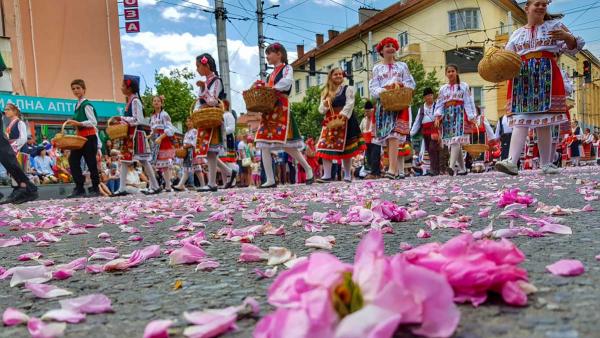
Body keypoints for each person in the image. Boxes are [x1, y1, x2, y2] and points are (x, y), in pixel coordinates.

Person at [495, 0, 584, 175]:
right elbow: (507, 57)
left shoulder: (555, 26)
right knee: (521, 118)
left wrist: (567, 37)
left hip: (546, 75)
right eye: (538, 3)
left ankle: (546, 163)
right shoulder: (517, 34)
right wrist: (498, 57)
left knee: (544, 120)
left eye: (544, 4)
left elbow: (574, 47)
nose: (542, 7)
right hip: (523, 78)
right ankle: (512, 161)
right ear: (527, 8)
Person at [253, 43, 314, 188]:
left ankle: (308, 169)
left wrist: (270, 88)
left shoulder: (287, 68)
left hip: (282, 109)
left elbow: (286, 83)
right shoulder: (270, 74)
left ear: (279, 54)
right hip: (269, 111)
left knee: (287, 146)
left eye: (269, 53)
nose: (267, 56)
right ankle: (270, 179)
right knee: (263, 144)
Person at [369, 37, 416, 180]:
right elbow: (373, 86)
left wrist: (402, 88)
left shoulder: (402, 66)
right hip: (385, 104)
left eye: (392, 45)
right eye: (387, 46)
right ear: (381, 51)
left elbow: (410, 82)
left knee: (394, 134)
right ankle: (394, 170)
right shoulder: (377, 68)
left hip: (400, 102)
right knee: (388, 137)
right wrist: (383, 92)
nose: (390, 48)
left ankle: (392, 169)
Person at [193, 53, 237, 192]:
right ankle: (228, 172)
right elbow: (201, 102)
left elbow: (212, 100)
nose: (197, 69)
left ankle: (212, 183)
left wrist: (203, 89)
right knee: (209, 152)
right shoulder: (207, 82)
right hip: (205, 119)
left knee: (211, 151)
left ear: (206, 65)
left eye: (198, 66)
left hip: (213, 119)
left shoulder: (216, 81)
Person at [113, 75, 161, 196]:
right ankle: (123, 187)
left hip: (136, 134)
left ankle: (154, 185)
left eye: (123, 85)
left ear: (129, 88)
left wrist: (122, 118)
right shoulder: (130, 101)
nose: (121, 88)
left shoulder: (135, 101)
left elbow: (138, 119)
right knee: (125, 160)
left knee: (143, 160)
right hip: (131, 135)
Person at [315, 67, 365, 183]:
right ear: (330, 77)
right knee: (324, 147)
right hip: (330, 122)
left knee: (346, 149)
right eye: (335, 74)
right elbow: (321, 110)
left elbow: (350, 104)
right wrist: (326, 104)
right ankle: (327, 175)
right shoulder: (326, 92)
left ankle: (347, 175)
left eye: (340, 74)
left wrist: (341, 116)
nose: (338, 76)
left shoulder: (348, 89)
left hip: (345, 121)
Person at [433, 64, 476, 176]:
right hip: (448, 116)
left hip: (460, 114)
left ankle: (451, 166)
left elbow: (468, 101)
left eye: (453, 71)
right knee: (454, 141)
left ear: (457, 72)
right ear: (446, 74)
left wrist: (472, 116)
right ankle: (462, 169)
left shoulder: (464, 86)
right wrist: (437, 116)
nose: (451, 73)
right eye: (449, 71)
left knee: (456, 140)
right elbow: (439, 104)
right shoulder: (443, 89)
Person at [64, 79, 101, 198]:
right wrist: (76, 125)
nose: (75, 90)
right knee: (73, 160)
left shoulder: (86, 105)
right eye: (73, 89)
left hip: (89, 137)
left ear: (84, 89)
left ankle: (96, 188)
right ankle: (79, 187)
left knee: (91, 162)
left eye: (78, 88)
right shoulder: (77, 105)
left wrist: (78, 123)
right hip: (80, 138)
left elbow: (93, 122)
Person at [410, 88, 441, 176]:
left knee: (432, 148)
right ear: (424, 98)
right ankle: (436, 169)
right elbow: (417, 121)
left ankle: (433, 169)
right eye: (427, 96)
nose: (429, 97)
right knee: (431, 150)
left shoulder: (437, 106)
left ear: (433, 96)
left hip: (435, 130)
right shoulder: (422, 108)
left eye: (431, 95)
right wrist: (411, 133)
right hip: (425, 132)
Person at [149, 95, 176, 192]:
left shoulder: (164, 114)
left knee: (165, 165)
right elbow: (152, 129)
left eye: (158, 101)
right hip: (155, 141)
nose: (156, 102)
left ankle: (168, 186)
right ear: (152, 103)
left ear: (161, 103)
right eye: (154, 101)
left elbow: (170, 128)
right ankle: (155, 186)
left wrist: (161, 137)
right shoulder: (152, 117)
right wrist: (150, 136)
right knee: (155, 164)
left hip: (163, 140)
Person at [174, 118, 197, 191]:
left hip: (192, 151)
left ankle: (181, 185)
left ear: (193, 122)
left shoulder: (195, 131)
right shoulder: (186, 133)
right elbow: (184, 143)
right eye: (187, 121)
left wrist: (188, 145)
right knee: (187, 169)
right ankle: (181, 185)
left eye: (190, 121)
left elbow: (195, 141)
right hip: (186, 151)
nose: (188, 123)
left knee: (196, 169)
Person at [360, 100, 381, 179]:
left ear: (372, 111)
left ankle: (374, 173)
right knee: (368, 158)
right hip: (366, 141)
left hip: (375, 140)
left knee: (375, 157)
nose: (367, 113)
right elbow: (361, 130)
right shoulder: (363, 120)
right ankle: (376, 173)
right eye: (365, 111)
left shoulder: (376, 119)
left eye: (368, 111)